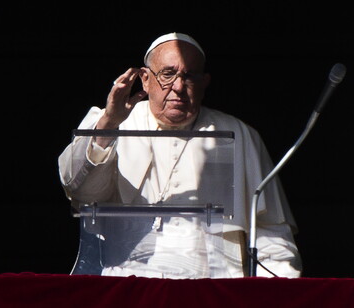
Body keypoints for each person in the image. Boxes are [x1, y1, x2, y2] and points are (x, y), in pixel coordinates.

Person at [58, 32, 302, 278]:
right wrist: (109, 123)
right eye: (167, 74)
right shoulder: (108, 123)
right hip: (128, 286)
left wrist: (279, 289)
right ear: (145, 79)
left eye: (189, 76)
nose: (178, 87)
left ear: (205, 82)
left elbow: (270, 232)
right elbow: (82, 191)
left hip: (212, 288)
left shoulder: (239, 134)